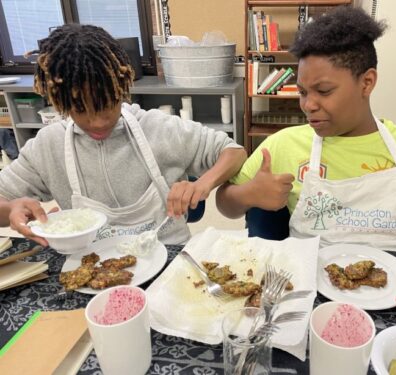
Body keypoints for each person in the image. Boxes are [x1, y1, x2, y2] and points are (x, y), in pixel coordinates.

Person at [216, 6, 396, 328]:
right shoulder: (283, 145)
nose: (308, 105)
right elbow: (225, 202)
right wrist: (248, 195)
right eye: (304, 92)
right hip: (307, 304)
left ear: (367, 82)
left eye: (324, 91)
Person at [0, 24, 246, 246]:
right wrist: (11, 208)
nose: (97, 121)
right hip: (89, 268)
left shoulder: (160, 128)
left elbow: (234, 152)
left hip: (168, 261)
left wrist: (202, 184)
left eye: (106, 104)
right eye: (81, 109)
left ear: (122, 89)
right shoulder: (48, 146)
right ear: (60, 103)